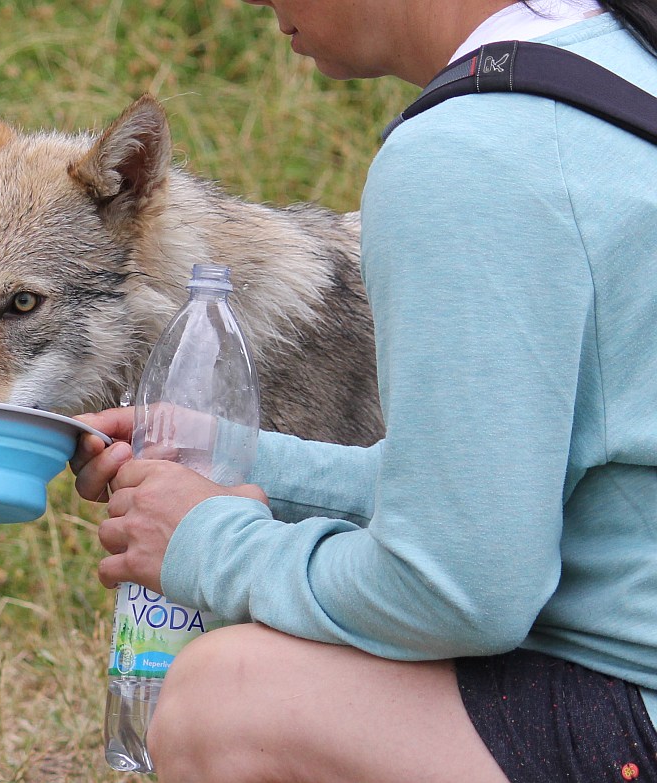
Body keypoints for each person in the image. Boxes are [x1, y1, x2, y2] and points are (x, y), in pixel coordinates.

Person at [70, 0, 657, 780]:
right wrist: (237, 460)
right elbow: (508, 486)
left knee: (231, 699)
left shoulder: (472, 154)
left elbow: (459, 589)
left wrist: (205, 544)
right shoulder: (616, 62)